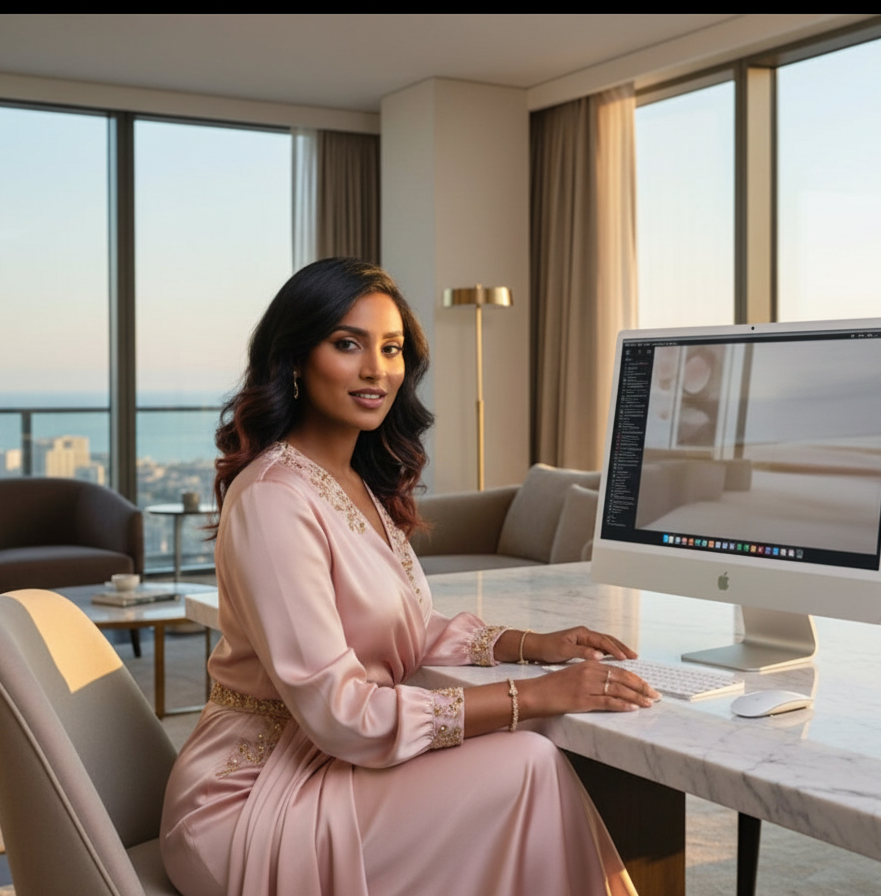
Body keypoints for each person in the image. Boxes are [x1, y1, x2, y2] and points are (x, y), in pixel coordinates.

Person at [159, 258, 657, 896]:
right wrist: (533, 697)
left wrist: (531, 646)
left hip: (332, 763)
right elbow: (342, 715)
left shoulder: (356, 481)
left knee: (526, 767)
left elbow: (401, 630)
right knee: (527, 760)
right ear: (293, 361)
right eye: (348, 344)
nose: (376, 369)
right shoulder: (273, 498)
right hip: (249, 797)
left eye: (391, 348)